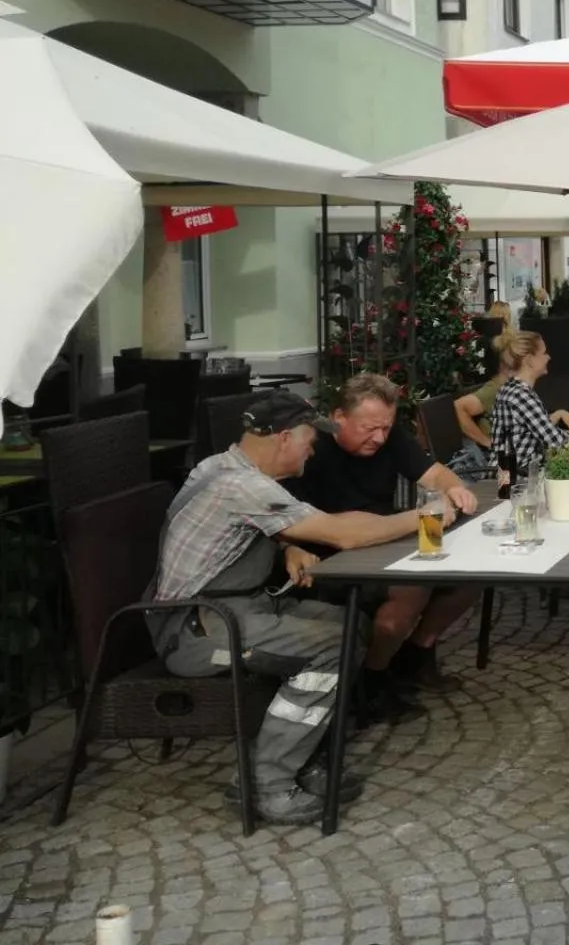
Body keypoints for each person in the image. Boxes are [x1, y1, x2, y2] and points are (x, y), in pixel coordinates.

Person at [149, 391, 425, 825]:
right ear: (282, 439)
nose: (313, 449)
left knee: (348, 624)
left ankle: (298, 758)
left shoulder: (222, 465)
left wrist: (288, 543)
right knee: (331, 646)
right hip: (197, 631)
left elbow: (242, 527)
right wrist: (425, 518)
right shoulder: (243, 485)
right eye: (309, 439)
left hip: (229, 608)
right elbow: (343, 534)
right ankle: (267, 784)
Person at [288, 374, 482, 718]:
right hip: (334, 552)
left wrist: (454, 488)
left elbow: (434, 474)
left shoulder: (386, 435)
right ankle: (373, 681)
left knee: (469, 576)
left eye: (386, 428)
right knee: (413, 587)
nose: (379, 438)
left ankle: (415, 656)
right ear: (338, 418)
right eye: (369, 429)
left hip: (389, 537)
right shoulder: (309, 450)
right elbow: (285, 519)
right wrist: (286, 546)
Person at [490, 330, 569, 481]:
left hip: (504, 477)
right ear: (529, 360)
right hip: (517, 480)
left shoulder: (509, 389)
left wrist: (559, 416)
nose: (548, 357)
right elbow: (555, 441)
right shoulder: (522, 395)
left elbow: (527, 429)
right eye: (544, 353)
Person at [452, 331, 512, 480]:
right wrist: (487, 442)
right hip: (498, 464)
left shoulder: (511, 387)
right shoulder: (497, 389)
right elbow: (458, 407)